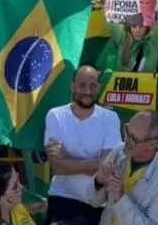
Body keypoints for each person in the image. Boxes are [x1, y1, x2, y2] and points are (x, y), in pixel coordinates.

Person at [43, 65, 122, 225]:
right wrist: (97, 164)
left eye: (92, 85)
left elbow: (108, 168)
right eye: (82, 85)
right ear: (72, 86)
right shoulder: (55, 115)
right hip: (63, 198)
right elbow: (57, 167)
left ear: (99, 87)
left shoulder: (110, 118)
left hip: (98, 201)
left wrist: (66, 157)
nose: (87, 91)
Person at [89, 111, 158, 224]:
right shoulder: (118, 151)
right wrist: (99, 182)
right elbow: (93, 201)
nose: (126, 141)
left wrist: (121, 198)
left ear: (151, 144)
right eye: (126, 131)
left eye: (133, 139)